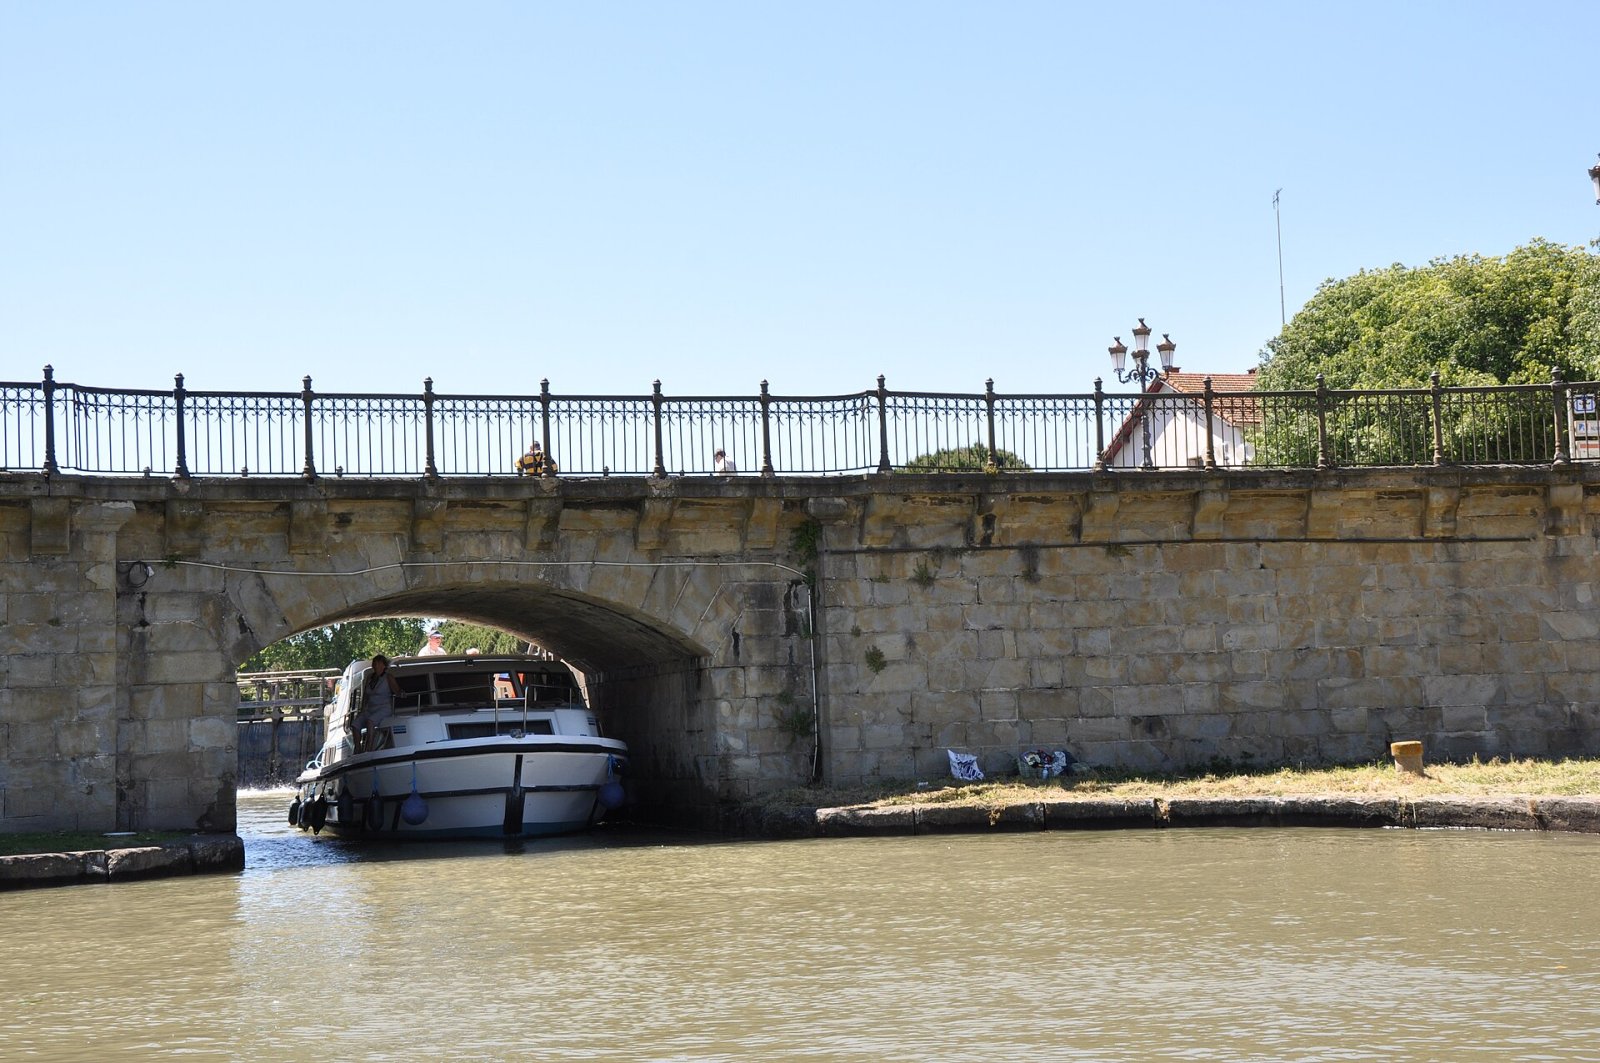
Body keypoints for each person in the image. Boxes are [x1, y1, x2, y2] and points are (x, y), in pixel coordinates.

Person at [361, 654, 401, 750]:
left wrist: (401, 693)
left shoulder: (388, 677)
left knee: (370, 721)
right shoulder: (370, 677)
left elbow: (397, 691)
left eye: (378, 664)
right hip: (370, 708)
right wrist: (362, 708)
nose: (375, 666)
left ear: (384, 665)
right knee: (355, 724)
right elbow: (366, 695)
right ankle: (358, 748)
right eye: (374, 664)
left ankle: (369, 748)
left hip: (383, 707)